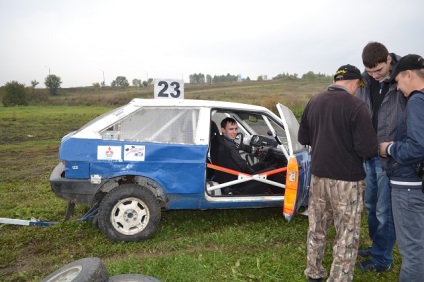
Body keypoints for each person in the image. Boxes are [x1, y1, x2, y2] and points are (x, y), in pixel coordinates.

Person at [299, 64, 378, 282]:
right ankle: (339, 278)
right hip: (346, 180)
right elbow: (368, 149)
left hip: (318, 177)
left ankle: (313, 273)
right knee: (347, 233)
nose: (358, 89)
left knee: (317, 227)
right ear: (354, 83)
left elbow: (303, 138)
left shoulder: (314, 101)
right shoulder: (357, 105)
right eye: (358, 86)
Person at [355, 42, 406, 272]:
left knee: (385, 210)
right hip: (368, 154)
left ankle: (382, 260)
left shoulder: (404, 77)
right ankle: (378, 246)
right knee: (371, 205)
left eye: (378, 71)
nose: (374, 76)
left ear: (388, 60)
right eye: (369, 71)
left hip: (390, 156)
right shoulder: (365, 80)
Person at [379, 54, 424, 282]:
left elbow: (417, 147)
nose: (397, 88)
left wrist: (390, 148)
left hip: (408, 186)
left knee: (413, 251)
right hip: (419, 182)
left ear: (409, 74)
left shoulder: (416, 101)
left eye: (398, 82)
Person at [214, 117, 284, 195]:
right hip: (237, 182)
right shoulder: (230, 146)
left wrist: (256, 172)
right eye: (231, 129)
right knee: (272, 171)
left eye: (236, 129)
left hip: (231, 176)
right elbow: (242, 165)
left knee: (262, 165)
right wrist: (254, 174)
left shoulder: (221, 141)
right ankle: (284, 191)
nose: (234, 132)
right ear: (223, 130)